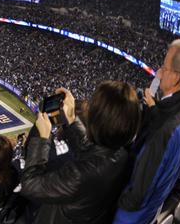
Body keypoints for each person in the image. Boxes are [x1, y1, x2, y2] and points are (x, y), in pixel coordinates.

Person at [20, 84, 140, 223]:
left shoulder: (79, 175)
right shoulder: (121, 154)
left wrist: (42, 139)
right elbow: (92, 151)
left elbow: (30, 184)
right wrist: (70, 119)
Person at [114, 39, 180, 223]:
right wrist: (153, 110)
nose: (159, 73)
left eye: (164, 68)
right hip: (153, 209)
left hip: (131, 216)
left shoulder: (164, 132)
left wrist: (111, 199)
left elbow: (137, 196)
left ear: (176, 77)